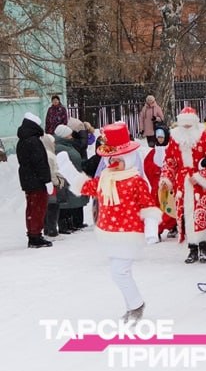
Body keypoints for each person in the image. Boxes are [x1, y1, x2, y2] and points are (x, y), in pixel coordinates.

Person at [56, 122, 161, 320]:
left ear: (128, 159)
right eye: (111, 160)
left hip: (128, 233)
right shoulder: (105, 178)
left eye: (118, 160)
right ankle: (134, 306)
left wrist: (151, 228)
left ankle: (137, 306)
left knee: (119, 272)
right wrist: (66, 168)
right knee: (119, 273)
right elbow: (84, 186)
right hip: (110, 233)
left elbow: (148, 205)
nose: (114, 164)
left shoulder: (135, 180)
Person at [160, 106, 206, 264]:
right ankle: (192, 248)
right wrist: (167, 179)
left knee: (200, 214)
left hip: (198, 183)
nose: (186, 128)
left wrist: (201, 176)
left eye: (189, 124)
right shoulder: (175, 138)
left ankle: (203, 247)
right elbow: (170, 160)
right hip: (182, 182)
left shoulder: (204, 136)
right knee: (185, 214)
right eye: (184, 125)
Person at [17, 113, 54, 248]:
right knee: (38, 208)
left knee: (32, 208)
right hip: (37, 180)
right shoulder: (34, 141)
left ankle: (33, 233)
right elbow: (40, 163)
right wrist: (47, 180)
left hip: (28, 179)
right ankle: (35, 236)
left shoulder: (22, 140)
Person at [143, 125, 179, 238]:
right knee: (156, 209)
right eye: (157, 137)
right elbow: (147, 165)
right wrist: (157, 172)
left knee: (170, 207)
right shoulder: (153, 152)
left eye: (161, 137)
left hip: (169, 185)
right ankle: (157, 229)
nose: (159, 139)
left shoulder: (171, 149)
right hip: (157, 186)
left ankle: (174, 226)